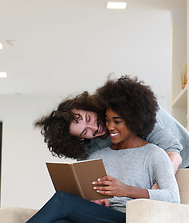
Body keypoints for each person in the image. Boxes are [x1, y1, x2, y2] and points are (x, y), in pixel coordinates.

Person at [27, 76, 180, 223]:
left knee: (62, 200)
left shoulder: (154, 153)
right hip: (102, 216)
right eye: (107, 120)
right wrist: (93, 200)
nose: (109, 127)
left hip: (131, 217)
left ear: (134, 119)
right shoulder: (96, 155)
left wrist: (127, 190)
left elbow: (173, 197)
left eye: (117, 121)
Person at [35, 87, 189, 172]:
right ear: (80, 139)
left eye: (88, 118)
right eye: (85, 132)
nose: (94, 128)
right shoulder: (91, 147)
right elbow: (88, 177)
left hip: (183, 159)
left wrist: (159, 186)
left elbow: (172, 152)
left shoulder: (128, 110)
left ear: (89, 107)